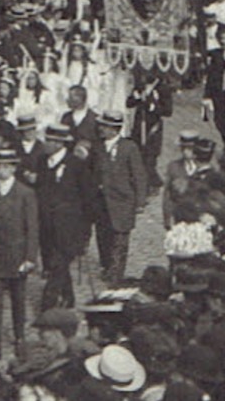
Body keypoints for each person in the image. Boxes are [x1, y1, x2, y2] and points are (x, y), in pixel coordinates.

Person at [0, 149, 40, 354]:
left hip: (17, 256)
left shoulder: (25, 193)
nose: (1, 170)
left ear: (13, 168)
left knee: (18, 299)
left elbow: (32, 228)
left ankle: (20, 337)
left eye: (5, 166)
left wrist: (30, 257)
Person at [35, 124, 89, 311]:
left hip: (68, 228)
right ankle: (68, 297)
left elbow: (87, 199)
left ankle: (47, 306)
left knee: (58, 264)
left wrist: (84, 233)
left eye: (49, 141)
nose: (45, 144)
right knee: (56, 264)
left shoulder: (76, 164)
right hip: (46, 226)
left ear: (59, 143)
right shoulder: (42, 162)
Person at [92, 110, 148, 286]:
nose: (101, 129)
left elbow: (139, 175)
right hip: (101, 202)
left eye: (105, 127)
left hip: (122, 202)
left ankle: (116, 275)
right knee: (103, 237)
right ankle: (107, 266)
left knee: (120, 240)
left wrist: (140, 201)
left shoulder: (129, 148)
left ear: (114, 129)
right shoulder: (97, 147)